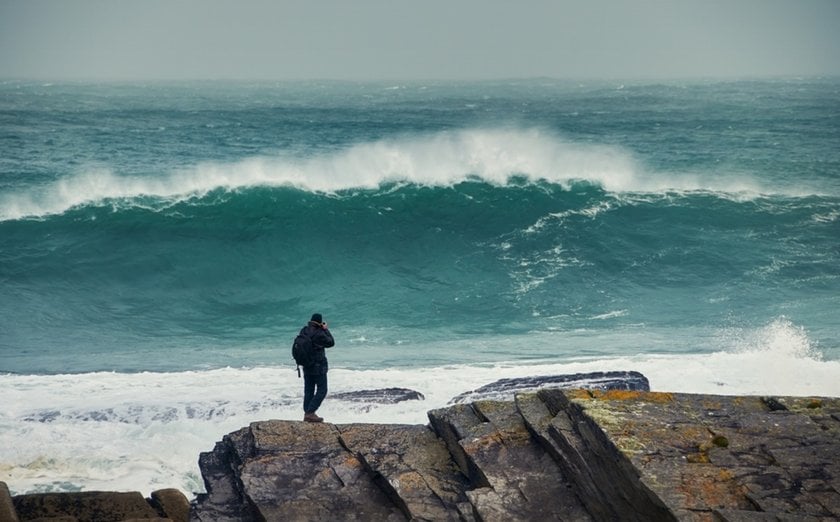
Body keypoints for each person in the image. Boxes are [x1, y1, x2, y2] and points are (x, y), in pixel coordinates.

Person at [299, 313, 335, 423]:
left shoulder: (304, 330)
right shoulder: (319, 333)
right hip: (318, 367)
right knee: (322, 390)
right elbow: (331, 342)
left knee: (309, 390)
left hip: (306, 366)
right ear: (320, 322)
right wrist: (325, 330)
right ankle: (310, 412)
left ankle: (307, 413)